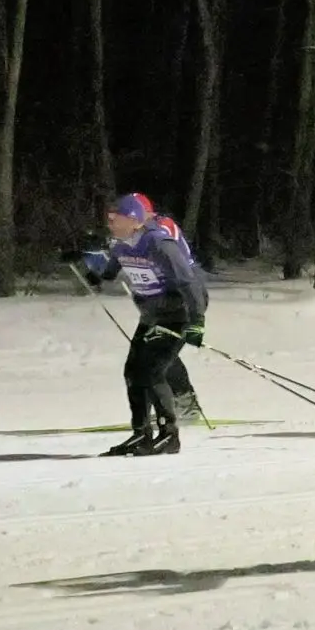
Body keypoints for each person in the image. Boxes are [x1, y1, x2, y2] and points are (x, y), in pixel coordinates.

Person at [75, 192, 209, 456]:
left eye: (115, 219)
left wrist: (197, 322)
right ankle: (141, 434)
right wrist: (91, 273)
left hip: (177, 312)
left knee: (153, 371)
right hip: (151, 314)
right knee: (133, 371)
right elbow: (110, 272)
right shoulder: (121, 244)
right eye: (109, 218)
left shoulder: (158, 243)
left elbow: (188, 281)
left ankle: (168, 436)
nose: (110, 223)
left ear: (133, 219)